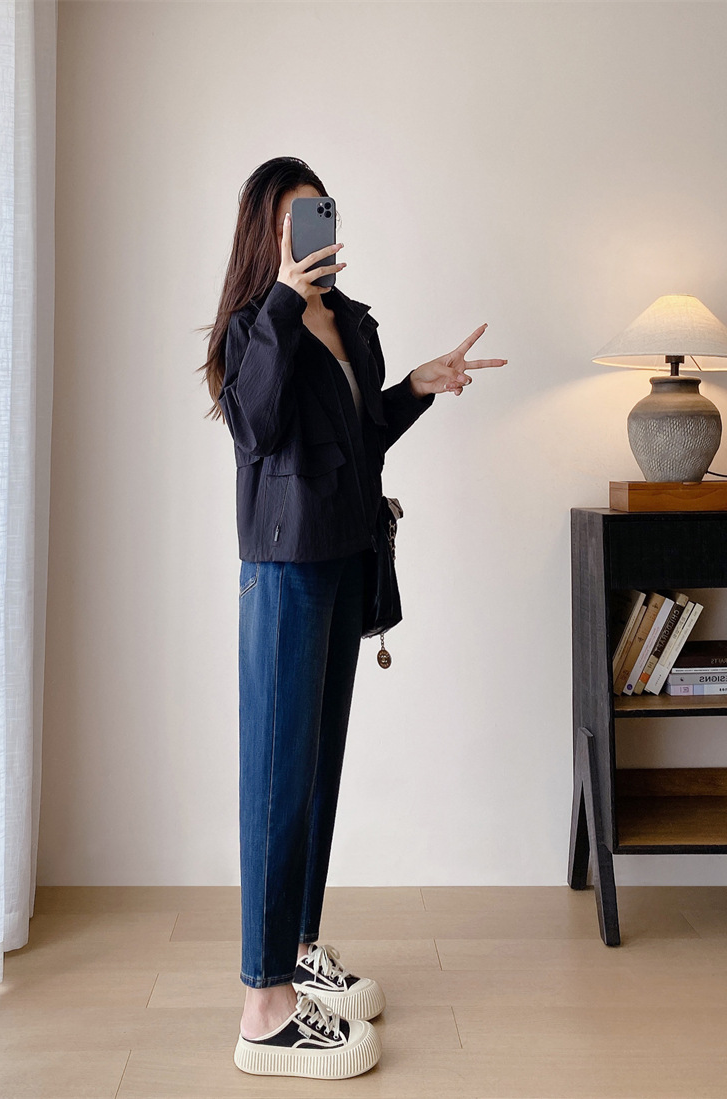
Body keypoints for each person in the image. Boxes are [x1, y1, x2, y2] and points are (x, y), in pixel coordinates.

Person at [200, 157, 507, 1080]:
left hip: (344, 556)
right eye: (291, 222)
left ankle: (297, 953)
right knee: (276, 774)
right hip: (284, 569)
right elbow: (255, 431)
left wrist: (418, 384)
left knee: (317, 769)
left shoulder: (349, 322)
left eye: (318, 217)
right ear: (265, 234)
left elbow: (360, 438)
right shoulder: (255, 326)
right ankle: (262, 1008)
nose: (309, 237)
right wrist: (284, 303)